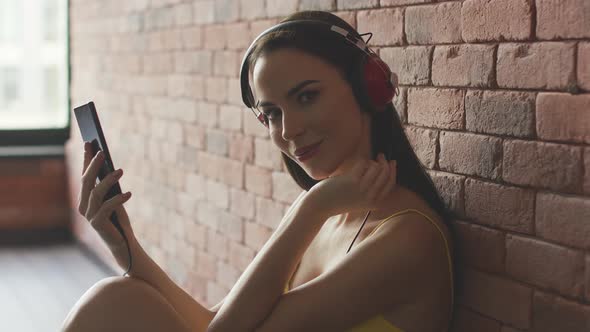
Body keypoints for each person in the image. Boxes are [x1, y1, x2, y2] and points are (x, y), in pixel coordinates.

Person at [61, 10, 461, 332]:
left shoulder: (406, 236)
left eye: (307, 97)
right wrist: (126, 246)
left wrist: (311, 207)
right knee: (116, 299)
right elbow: (216, 321)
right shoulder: (331, 209)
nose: (288, 131)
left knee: (115, 304)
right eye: (271, 114)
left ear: (368, 86)